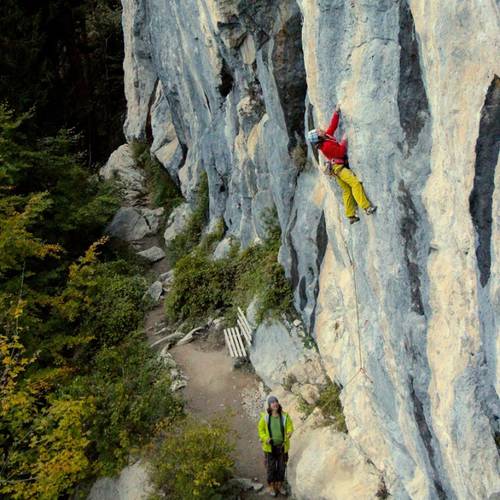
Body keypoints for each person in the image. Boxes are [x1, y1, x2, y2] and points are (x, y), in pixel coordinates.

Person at [307, 104, 377, 224]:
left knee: (347, 190)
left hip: (336, 170)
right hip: (339, 169)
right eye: (318, 131)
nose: (320, 129)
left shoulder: (326, 137)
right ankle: (367, 207)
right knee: (355, 184)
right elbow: (340, 152)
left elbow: (332, 126)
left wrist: (336, 113)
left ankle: (351, 215)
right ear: (318, 137)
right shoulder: (326, 146)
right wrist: (344, 140)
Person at [258, 396, 294, 497]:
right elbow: (261, 431)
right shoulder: (265, 418)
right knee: (271, 468)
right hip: (270, 448)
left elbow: (290, 426)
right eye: (272, 402)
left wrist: (289, 432)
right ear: (269, 406)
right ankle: (271, 486)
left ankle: (279, 485)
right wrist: (265, 438)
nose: (275, 404)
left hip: (283, 447)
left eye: (276, 401)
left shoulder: (285, 416)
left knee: (282, 467)